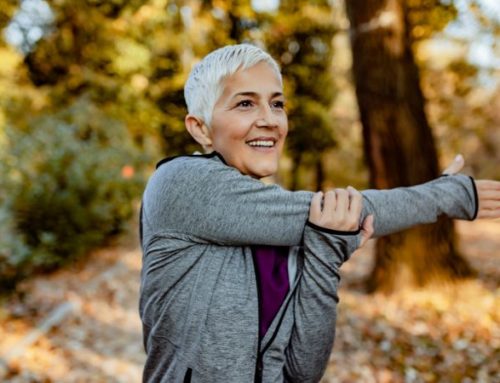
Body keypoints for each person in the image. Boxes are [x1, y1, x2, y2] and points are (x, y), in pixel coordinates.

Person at [139, 44, 500, 383]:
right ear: (200, 128)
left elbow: (302, 371)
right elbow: (347, 210)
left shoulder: (283, 227)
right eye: (245, 104)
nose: (269, 119)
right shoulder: (181, 182)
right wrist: (446, 196)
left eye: (277, 104)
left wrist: (325, 251)